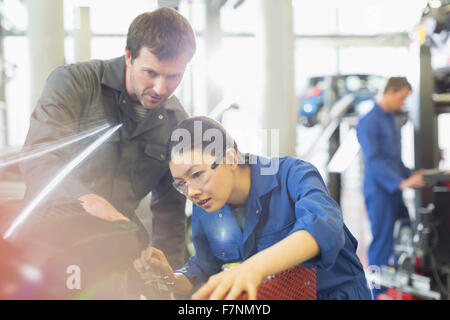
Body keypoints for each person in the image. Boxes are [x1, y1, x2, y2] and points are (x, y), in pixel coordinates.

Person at [20, 8, 196, 269]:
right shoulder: (74, 84)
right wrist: (87, 200)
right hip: (48, 250)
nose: (161, 88)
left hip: (113, 259)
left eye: (174, 76)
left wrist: (169, 281)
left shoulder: (176, 122)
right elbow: (39, 162)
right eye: (150, 73)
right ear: (128, 56)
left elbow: (170, 214)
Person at [133, 116, 372, 300]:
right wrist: (170, 277)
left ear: (230, 158)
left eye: (197, 174)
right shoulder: (207, 205)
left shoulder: (292, 175)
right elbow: (204, 270)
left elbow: (324, 227)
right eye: (181, 184)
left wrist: (254, 268)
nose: (191, 192)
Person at [356, 77, 425, 298]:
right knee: (382, 240)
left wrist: (412, 174)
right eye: (402, 97)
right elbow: (374, 160)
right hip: (379, 190)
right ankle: (376, 292)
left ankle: (396, 283)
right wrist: (401, 182)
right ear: (390, 92)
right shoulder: (368, 121)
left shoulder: (391, 120)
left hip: (394, 189)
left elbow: (394, 160)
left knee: (405, 232)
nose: (403, 103)